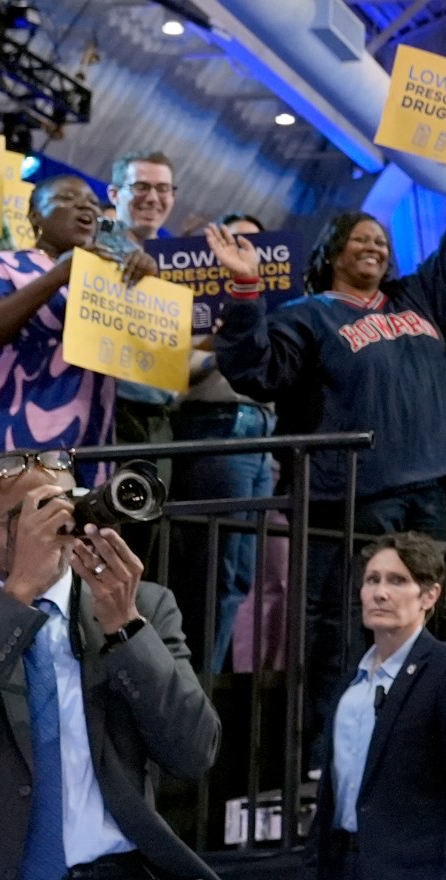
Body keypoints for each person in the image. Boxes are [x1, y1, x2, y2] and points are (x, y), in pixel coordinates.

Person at [206, 139, 446, 730]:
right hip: (350, 502)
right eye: (361, 240)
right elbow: (255, 370)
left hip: (426, 496)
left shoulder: (418, 299)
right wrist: (248, 291)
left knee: (416, 627)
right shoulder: (307, 315)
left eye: (382, 242)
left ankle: (408, 741)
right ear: (334, 252)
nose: (375, 247)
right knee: (342, 631)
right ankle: (332, 758)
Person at [0, 451, 220, 880]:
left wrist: (126, 629)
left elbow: (193, 754)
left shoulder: (142, 606)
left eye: (60, 512)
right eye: (21, 520)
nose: (47, 534)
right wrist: (17, 596)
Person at [312, 533, 446, 880]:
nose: (380, 592)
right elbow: (330, 802)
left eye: (398, 580)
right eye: (372, 580)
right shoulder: (351, 683)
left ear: (430, 595)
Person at [0, 175, 161, 461]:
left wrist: (149, 288)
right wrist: (59, 275)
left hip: (90, 441)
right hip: (9, 433)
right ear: (34, 216)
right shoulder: (3, 266)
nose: (85, 207)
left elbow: (149, 359)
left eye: (91, 202)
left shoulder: (111, 278)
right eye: (66, 199)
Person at [165, 211, 282, 672]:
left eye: (255, 244)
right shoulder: (185, 294)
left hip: (262, 435)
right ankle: (187, 690)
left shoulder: (269, 302)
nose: (243, 251)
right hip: (213, 425)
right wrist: (219, 347)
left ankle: (203, 687)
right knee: (211, 570)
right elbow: (170, 371)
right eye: (233, 240)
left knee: (238, 575)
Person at [110, 152, 184, 469]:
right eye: (141, 186)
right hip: (108, 414)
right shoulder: (91, 252)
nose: (153, 198)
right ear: (115, 194)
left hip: (159, 420)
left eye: (163, 188)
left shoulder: (179, 269)